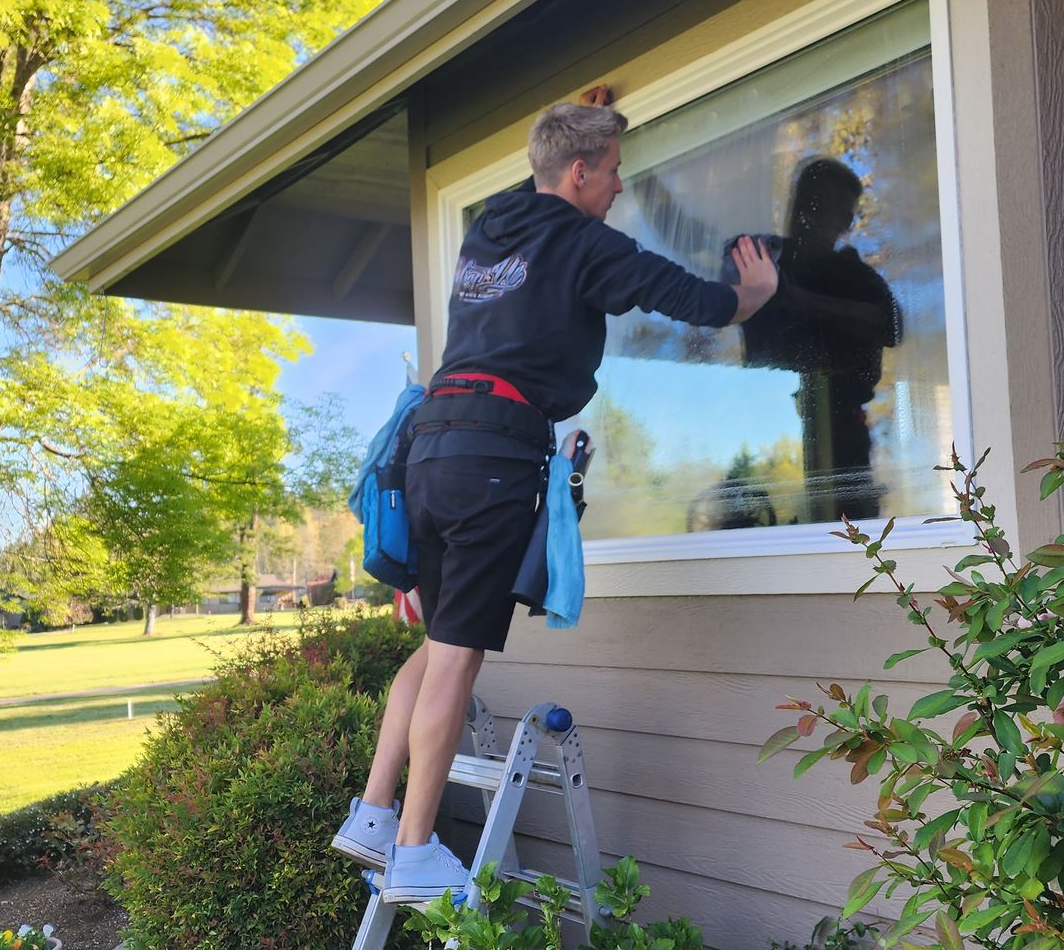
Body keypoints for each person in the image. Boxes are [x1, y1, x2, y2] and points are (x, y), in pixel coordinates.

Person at [333, 92, 781, 906]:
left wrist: (583, 119)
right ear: (578, 172)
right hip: (492, 457)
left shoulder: (490, 227)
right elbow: (692, 300)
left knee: (436, 645)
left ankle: (372, 812)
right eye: (611, 172)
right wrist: (752, 294)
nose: (618, 188)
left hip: (429, 446)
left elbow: (537, 179)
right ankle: (414, 849)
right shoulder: (585, 245)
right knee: (457, 659)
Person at [737, 158, 902, 524]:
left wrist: (803, 300)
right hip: (766, 428)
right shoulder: (762, 261)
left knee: (853, 535)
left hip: (842, 430)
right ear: (804, 205)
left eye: (847, 213)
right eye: (833, 209)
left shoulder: (851, 273)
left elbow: (891, 325)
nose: (843, 222)